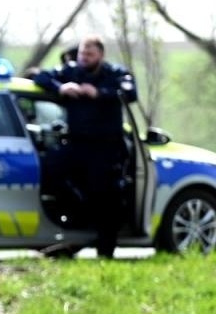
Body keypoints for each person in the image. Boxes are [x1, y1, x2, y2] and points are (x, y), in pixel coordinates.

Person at [30, 34, 139, 258]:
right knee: (50, 169)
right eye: (81, 53)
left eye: (89, 54)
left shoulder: (114, 73)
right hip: (78, 145)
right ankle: (78, 221)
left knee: (105, 198)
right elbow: (39, 77)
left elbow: (130, 92)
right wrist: (61, 88)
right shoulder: (71, 72)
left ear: (101, 55)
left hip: (106, 149)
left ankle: (105, 253)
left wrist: (100, 93)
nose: (84, 58)